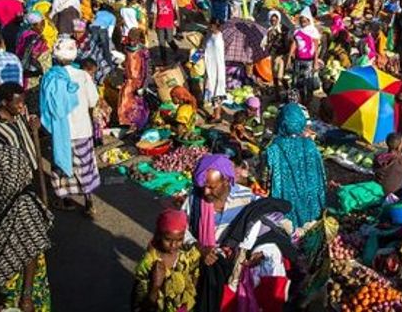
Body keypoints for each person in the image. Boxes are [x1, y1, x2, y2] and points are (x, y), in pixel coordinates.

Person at [183, 154, 294, 312]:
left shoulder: (247, 198)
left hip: (234, 262)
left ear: (227, 181)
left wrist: (258, 251)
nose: (206, 192)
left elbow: (274, 225)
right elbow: (182, 230)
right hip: (205, 261)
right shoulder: (194, 200)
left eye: (211, 187)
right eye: (203, 186)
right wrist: (199, 247)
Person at [0, 145, 53, 312]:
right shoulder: (1, 197)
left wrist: (26, 297)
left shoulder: (24, 205)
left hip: (18, 281)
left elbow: (30, 253)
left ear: (9, 172)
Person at [39, 38, 100, 217]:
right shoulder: (83, 76)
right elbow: (92, 101)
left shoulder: (49, 77)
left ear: (56, 58)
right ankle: (89, 202)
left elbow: (46, 107)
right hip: (82, 130)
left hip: (60, 133)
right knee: (85, 166)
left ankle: (65, 199)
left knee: (61, 165)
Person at [263, 102, 326, 228]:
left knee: (287, 228)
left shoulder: (273, 149)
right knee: (310, 228)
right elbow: (321, 176)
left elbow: (266, 179)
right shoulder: (310, 146)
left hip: (286, 202)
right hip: (311, 200)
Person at [132, 208, 200, 312]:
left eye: (179, 240)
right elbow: (140, 307)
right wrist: (155, 286)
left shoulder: (190, 254)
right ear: (159, 235)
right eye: (168, 239)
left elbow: (194, 281)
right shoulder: (148, 264)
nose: (173, 245)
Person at [0, 82, 38, 171]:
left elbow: (23, 134)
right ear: (4, 102)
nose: (21, 105)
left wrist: (33, 126)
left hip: (32, 171)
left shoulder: (18, 114)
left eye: (23, 101)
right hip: (10, 179)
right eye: (17, 102)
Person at [118, 28, 150, 129]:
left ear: (138, 40)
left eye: (134, 40)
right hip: (128, 80)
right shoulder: (127, 49)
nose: (131, 42)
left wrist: (144, 85)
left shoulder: (143, 51)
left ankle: (137, 124)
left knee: (137, 104)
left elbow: (147, 69)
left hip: (139, 81)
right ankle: (126, 123)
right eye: (130, 39)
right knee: (125, 102)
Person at [287, 7, 320, 104]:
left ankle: (308, 102)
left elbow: (316, 48)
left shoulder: (313, 32)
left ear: (309, 20)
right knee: (296, 82)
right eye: (301, 20)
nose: (303, 22)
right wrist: (289, 58)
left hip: (309, 61)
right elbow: (294, 44)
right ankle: (298, 101)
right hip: (298, 59)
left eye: (305, 20)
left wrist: (315, 62)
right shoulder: (297, 31)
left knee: (308, 83)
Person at [202, 19, 226, 121]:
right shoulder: (211, 36)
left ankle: (217, 115)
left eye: (211, 25)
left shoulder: (218, 39)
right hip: (210, 67)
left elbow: (218, 56)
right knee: (212, 89)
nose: (210, 27)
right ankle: (215, 113)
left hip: (217, 69)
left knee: (217, 91)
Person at [152, 0, 180, 64]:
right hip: (159, 23)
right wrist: (153, 24)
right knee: (161, 42)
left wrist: (178, 20)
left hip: (169, 22)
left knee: (169, 39)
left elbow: (176, 9)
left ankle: (176, 50)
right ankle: (164, 59)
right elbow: (155, 12)